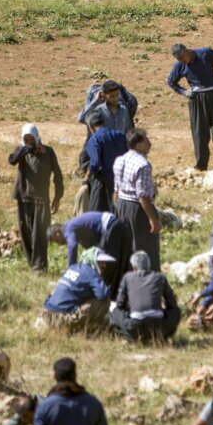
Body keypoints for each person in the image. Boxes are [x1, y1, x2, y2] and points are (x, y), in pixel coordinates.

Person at [166, 43, 213, 170]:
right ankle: (201, 167)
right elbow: (171, 81)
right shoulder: (181, 65)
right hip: (197, 100)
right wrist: (184, 92)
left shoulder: (205, 53)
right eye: (179, 60)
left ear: (187, 51)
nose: (182, 61)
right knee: (200, 135)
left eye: (182, 58)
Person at [10, 123, 64, 271]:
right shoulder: (21, 152)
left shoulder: (48, 152)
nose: (29, 142)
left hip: (41, 201)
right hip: (23, 197)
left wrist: (57, 198)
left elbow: (58, 176)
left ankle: (40, 267)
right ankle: (32, 264)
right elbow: (12, 160)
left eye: (31, 139)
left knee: (39, 235)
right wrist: (24, 149)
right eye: (26, 139)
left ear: (36, 137)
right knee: (25, 233)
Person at [113, 128, 162, 269]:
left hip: (122, 205)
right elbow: (143, 196)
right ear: (138, 145)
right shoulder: (143, 165)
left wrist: (117, 210)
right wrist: (153, 219)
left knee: (127, 246)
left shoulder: (119, 160)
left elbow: (116, 190)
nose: (150, 143)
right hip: (137, 209)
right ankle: (147, 277)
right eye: (146, 140)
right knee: (145, 249)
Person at [110, 251, 181, 343]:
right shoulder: (159, 277)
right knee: (176, 311)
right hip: (159, 327)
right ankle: (163, 337)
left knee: (116, 312)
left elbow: (120, 304)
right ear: (148, 266)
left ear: (134, 267)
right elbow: (172, 303)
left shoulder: (127, 277)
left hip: (135, 328)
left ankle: (128, 338)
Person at [42, 251, 114, 327]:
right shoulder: (91, 272)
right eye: (100, 262)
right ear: (91, 260)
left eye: (104, 262)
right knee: (104, 301)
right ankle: (92, 327)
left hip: (46, 314)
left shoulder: (73, 267)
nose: (104, 265)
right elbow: (103, 294)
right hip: (63, 319)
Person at [82, 113, 127, 213]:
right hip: (121, 179)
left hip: (103, 182)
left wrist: (86, 178)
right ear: (104, 122)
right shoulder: (120, 135)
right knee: (117, 211)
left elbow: (95, 162)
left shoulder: (95, 139)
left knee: (97, 213)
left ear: (90, 126)